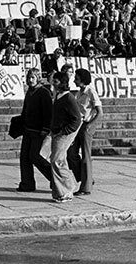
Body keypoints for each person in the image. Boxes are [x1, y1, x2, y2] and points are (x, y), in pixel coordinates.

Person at [67, 68, 103, 196]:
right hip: (77, 125)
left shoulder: (90, 92)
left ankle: (85, 187)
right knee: (71, 154)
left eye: (76, 78)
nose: (74, 80)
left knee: (86, 156)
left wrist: (90, 125)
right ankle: (85, 178)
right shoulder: (79, 93)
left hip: (86, 125)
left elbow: (100, 112)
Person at [17, 68, 53, 192]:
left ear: (38, 78)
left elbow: (48, 113)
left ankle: (55, 179)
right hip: (28, 129)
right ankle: (27, 183)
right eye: (28, 77)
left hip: (39, 131)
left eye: (32, 77)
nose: (30, 80)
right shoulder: (29, 92)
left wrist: (45, 128)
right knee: (24, 157)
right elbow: (25, 109)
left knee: (36, 156)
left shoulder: (44, 92)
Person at [49, 71, 82, 203]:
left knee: (56, 161)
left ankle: (67, 189)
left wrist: (65, 131)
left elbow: (77, 119)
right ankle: (62, 190)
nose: (53, 83)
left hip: (63, 134)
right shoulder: (58, 96)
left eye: (56, 81)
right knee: (60, 160)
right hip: (56, 132)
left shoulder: (68, 98)